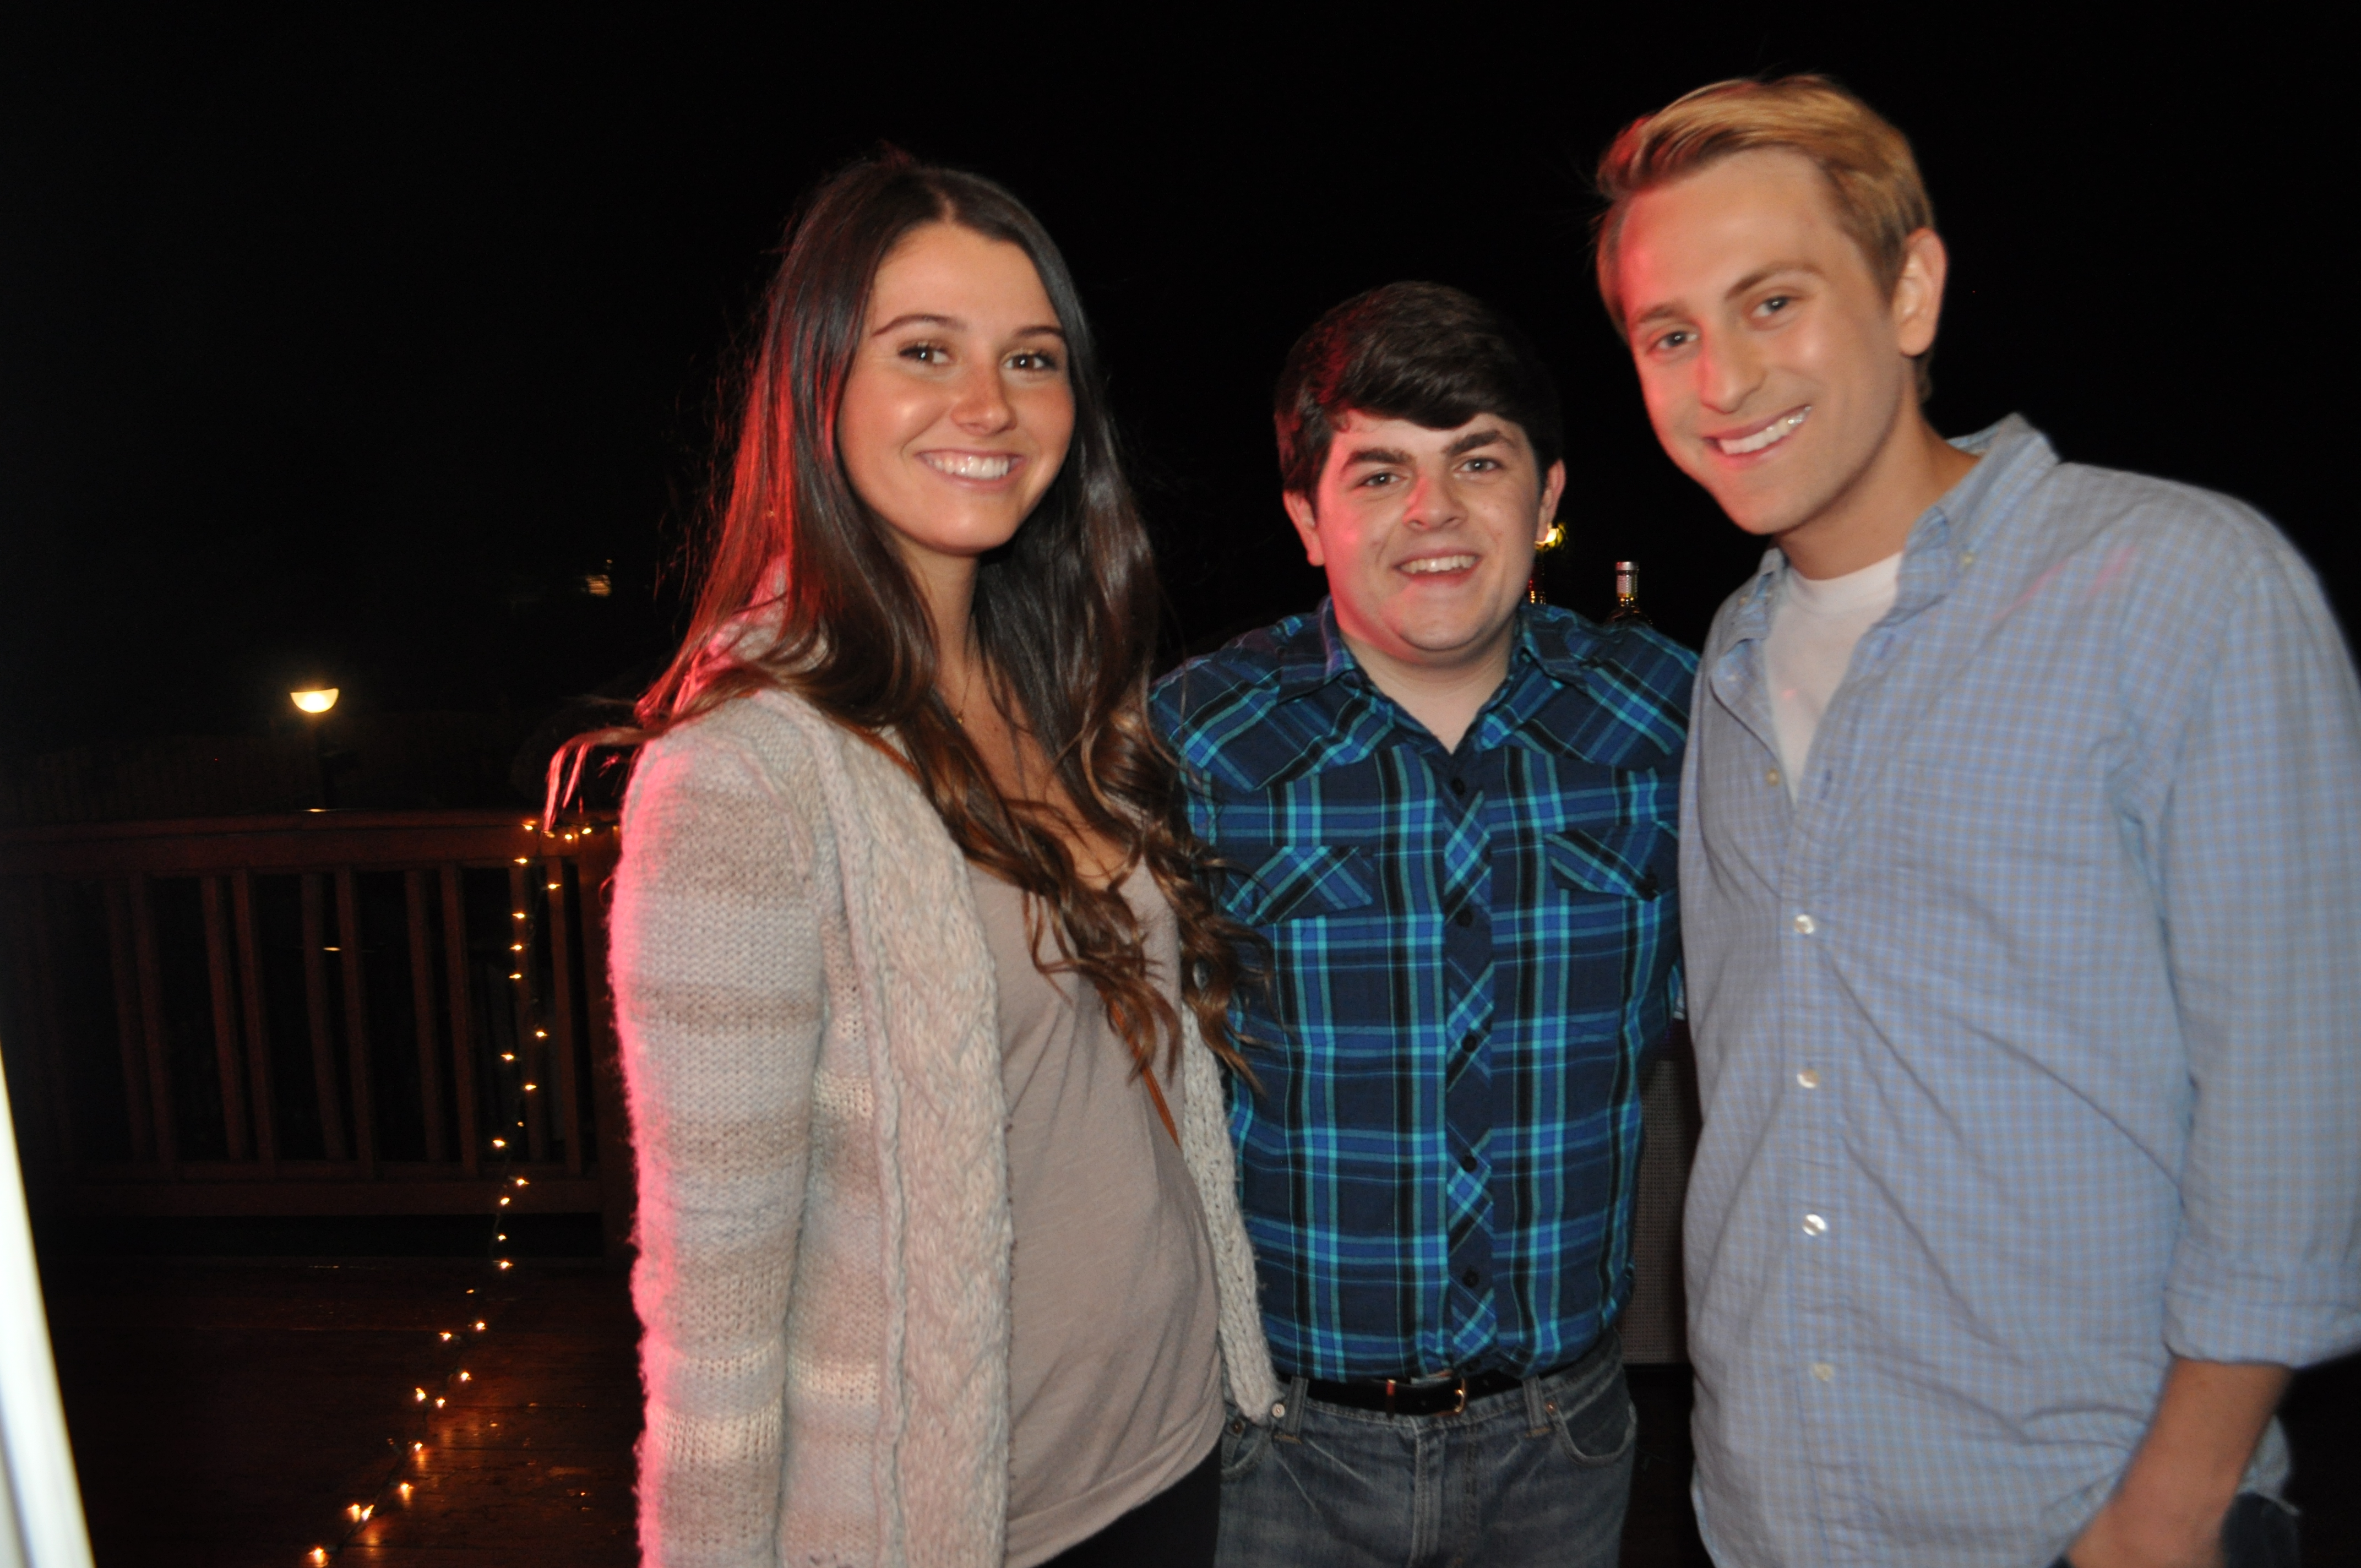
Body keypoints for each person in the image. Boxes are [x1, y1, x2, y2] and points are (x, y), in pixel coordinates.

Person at [1595, 75, 2361, 1568]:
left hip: (2089, 1520)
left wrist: (2171, 1508)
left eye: (1773, 302)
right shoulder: (1729, 672)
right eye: (1668, 334)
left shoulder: (2187, 587)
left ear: (1910, 289)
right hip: (1768, 1517)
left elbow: (2298, 1101)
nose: (1724, 380)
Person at [595, 154, 1277, 1568]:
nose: (988, 405)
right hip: (969, 1523)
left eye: (1030, 358)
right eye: (925, 352)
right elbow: (712, 1309)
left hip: (1170, 1448)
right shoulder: (743, 781)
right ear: (819, 387)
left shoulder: (1065, 697)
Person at [1151, 282, 1696, 1568]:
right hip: (1266, 1442)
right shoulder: (1190, 739)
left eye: (1477, 461)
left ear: (1548, 495)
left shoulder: (1671, 720)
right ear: (1304, 516)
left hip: (1560, 1442)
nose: (1433, 512)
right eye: (1380, 471)